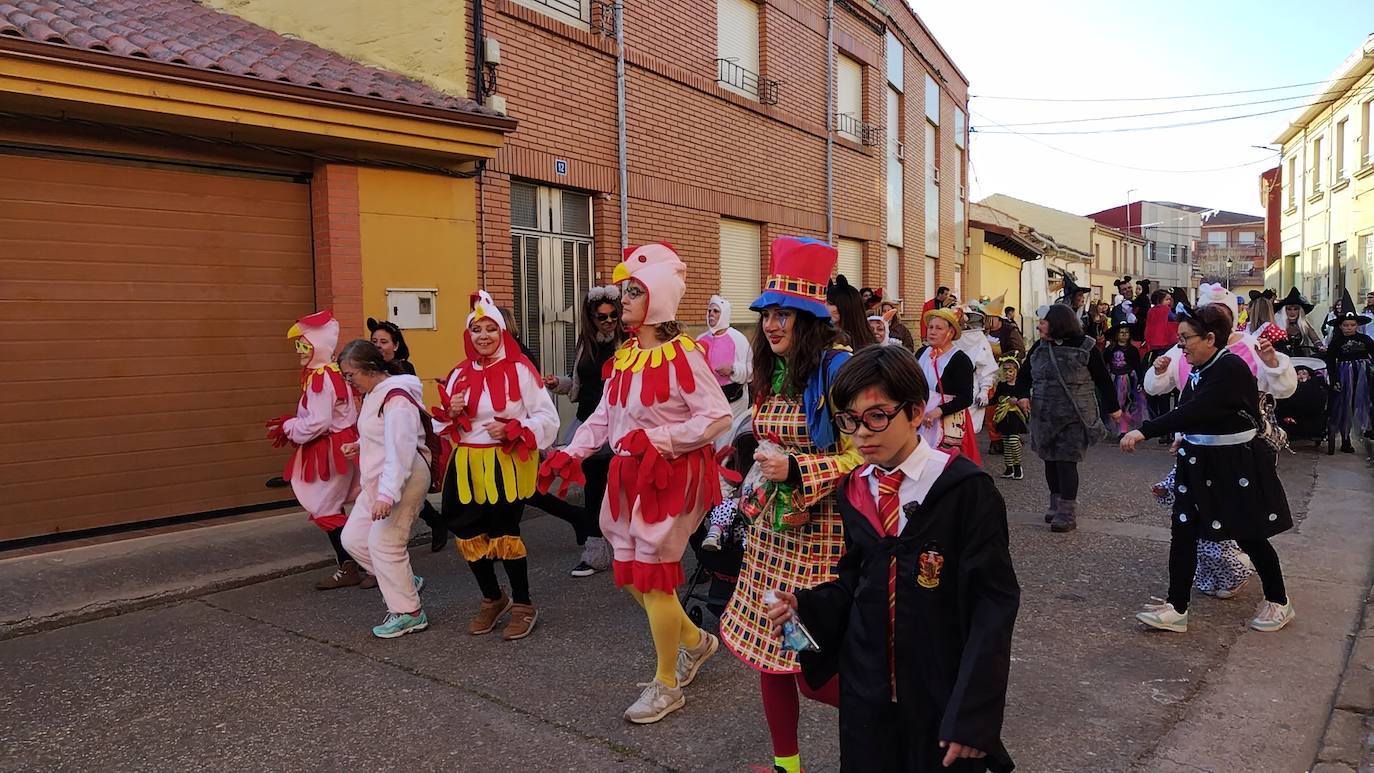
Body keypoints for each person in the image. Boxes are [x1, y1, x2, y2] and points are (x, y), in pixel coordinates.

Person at [766, 344, 1018, 773]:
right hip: (868, 692)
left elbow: (992, 604)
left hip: (938, 689)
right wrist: (805, 606)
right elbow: (855, 581)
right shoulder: (854, 491)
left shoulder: (965, 490)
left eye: (877, 416)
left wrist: (974, 715)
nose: (861, 432)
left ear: (917, 412)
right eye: (849, 420)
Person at [545, 243, 732, 724]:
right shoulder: (625, 356)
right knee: (632, 576)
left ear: (659, 297)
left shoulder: (685, 355)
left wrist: (662, 438)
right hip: (628, 477)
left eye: (634, 291)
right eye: (625, 290)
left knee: (653, 578)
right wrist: (569, 452)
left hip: (671, 479)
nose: (623, 299)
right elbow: (604, 417)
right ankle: (695, 641)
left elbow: (716, 417)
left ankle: (667, 683)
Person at [720, 237, 860, 773]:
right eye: (767, 315)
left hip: (820, 540)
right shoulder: (772, 371)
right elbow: (766, 445)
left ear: (810, 319)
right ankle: (787, 766)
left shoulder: (840, 369)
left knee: (812, 670)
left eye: (785, 315)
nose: (772, 325)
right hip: (769, 536)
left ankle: (898, 723)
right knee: (768, 659)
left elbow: (861, 454)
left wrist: (800, 469)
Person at [1123, 304, 1296, 634]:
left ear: (1210, 338)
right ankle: (1176, 608)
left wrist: (1145, 430)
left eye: (1186, 338)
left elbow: (1200, 408)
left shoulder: (1230, 367)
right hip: (1198, 461)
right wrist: (1182, 437)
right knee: (1183, 532)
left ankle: (1279, 601)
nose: (1181, 346)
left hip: (1234, 464)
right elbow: (1190, 410)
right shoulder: (1200, 366)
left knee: (1250, 536)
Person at [436, 292, 560, 641]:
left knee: (505, 532)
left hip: (504, 461)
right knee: (464, 529)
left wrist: (513, 429)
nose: (484, 336)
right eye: (477, 329)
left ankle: (523, 604)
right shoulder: (459, 372)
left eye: (491, 328)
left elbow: (546, 418)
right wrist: (453, 412)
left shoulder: (520, 369)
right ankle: (493, 598)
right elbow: (444, 426)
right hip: (466, 463)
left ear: (503, 331)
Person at [336, 340, 432, 639]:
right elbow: (383, 436)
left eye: (350, 375)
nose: (348, 382)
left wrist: (387, 495)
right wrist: (361, 445)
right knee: (353, 539)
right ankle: (405, 582)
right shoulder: (376, 393)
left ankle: (410, 613)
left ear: (371, 369)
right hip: (380, 479)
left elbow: (401, 451)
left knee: (385, 545)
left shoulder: (396, 400)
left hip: (401, 479)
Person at [265, 310, 362, 590]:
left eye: (303, 345)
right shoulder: (331, 372)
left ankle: (355, 564)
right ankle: (357, 563)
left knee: (324, 506)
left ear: (317, 347)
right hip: (338, 445)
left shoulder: (322, 378)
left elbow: (318, 422)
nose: (299, 352)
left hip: (330, 450)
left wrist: (289, 427)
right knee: (334, 504)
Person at [544, 285, 624, 576]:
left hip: (619, 428)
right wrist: (559, 384)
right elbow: (581, 383)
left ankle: (638, 550)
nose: (608, 322)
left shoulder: (628, 344)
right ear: (591, 318)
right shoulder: (585, 344)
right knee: (593, 490)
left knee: (623, 490)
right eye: (601, 317)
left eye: (613, 315)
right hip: (588, 423)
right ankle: (595, 554)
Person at [1024, 304, 1120, 533]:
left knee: (1066, 462)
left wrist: (1113, 408)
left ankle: (1067, 511)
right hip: (1044, 415)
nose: (1039, 326)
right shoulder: (1040, 347)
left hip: (1075, 416)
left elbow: (1103, 379)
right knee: (1049, 460)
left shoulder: (1085, 346)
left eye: (1044, 322)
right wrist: (1020, 396)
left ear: (1057, 324)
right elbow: (1024, 375)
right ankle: (1055, 503)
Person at [367, 317, 448, 553]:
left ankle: (389, 550)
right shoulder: (371, 370)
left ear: (396, 345)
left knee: (403, 489)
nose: (379, 345)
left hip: (404, 441)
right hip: (379, 441)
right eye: (374, 341)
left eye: (384, 341)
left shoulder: (403, 371)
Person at [915, 309, 982, 464]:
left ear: (950, 332)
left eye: (939, 328)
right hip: (921, 417)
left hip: (947, 420)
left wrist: (938, 411)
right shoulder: (921, 353)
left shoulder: (960, 359)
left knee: (945, 465)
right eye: (930, 327)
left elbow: (965, 398)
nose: (932, 332)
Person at [1323, 289, 1374, 453]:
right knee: (1345, 405)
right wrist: (1334, 379)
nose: (1349, 328)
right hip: (1345, 375)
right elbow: (1330, 361)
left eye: (1352, 325)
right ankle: (1345, 439)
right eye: (1346, 325)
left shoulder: (1365, 340)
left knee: (1366, 402)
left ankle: (1367, 429)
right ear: (1340, 326)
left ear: (1357, 326)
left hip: (1364, 375)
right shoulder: (1336, 342)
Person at [697, 294, 753, 420]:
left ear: (724, 314)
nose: (711, 314)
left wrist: (733, 369)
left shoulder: (738, 339)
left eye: (716, 311)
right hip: (708, 402)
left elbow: (751, 370)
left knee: (729, 437)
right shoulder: (700, 339)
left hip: (734, 401)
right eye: (709, 311)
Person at [955, 305, 999, 437]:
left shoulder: (979, 339)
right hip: (950, 392)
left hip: (972, 388)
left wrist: (984, 391)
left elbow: (986, 368)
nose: (964, 325)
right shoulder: (949, 338)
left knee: (968, 431)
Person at [1143, 288, 1181, 435]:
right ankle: (1167, 427)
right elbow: (1177, 319)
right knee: (1167, 390)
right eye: (1167, 299)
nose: (1169, 302)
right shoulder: (1166, 311)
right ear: (1160, 301)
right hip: (1166, 348)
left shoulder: (1151, 312)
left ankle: (1158, 422)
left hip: (1153, 350)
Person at [992, 356, 1030, 480]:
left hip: (1015, 416)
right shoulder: (1002, 385)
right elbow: (996, 398)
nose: (1007, 374)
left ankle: (1018, 467)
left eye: (1010, 371)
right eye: (1005, 371)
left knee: (1014, 441)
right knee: (1006, 443)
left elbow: (1025, 397)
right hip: (1004, 416)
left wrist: (1018, 401)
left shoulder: (1020, 385)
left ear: (1016, 371)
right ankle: (1009, 468)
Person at [1104, 324, 1144, 436]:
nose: (1124, 334)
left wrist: (1140, 381)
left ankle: (1123, 429)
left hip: (1128, 380)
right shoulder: (1110, 349)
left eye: (1127, 332)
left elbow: (1137, 366)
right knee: (1114, 404)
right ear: (1116, 335)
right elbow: (1103, 364)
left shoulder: (1132, 350)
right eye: (1121, 332)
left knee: (1127, 403)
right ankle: (1115, 427)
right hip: (1113, 379)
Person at [827, 275, 878, 350]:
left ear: (845, 307)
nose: (824, 306)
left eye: (829, 303)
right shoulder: (821, 337)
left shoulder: (869, 349)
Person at [1277, 287, 1325, 357]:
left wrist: (1320, 347)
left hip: (1301, 360)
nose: (1292, 312)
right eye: (1289, 309)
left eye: (1295, 309)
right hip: (1283, 360)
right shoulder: (1278, 325)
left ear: (1300, 311)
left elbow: (1315, 339)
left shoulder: (1304, 324)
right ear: (1284, 311)